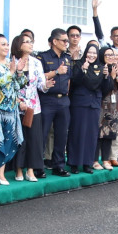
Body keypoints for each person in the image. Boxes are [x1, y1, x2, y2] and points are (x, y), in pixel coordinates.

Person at [0, 33, 27, 186]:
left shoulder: (10, 62)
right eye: (3, 44)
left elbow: (19, 84)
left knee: (8, 140)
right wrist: (11, 73)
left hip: (11, 107)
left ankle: (1, 173)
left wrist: (19, 71)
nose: (7, 47)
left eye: (7, 44)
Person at [67, 42, 110, 173]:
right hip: (80, 103)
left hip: (94, 105)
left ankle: (87, 163)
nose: (91, 55)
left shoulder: (102, 67)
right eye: (89, 52)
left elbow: (105, 89)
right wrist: (83, 70)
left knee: (91, 135)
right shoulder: (79, 65)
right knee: (77, 133)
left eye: (94, 53)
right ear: (85, 53)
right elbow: (75, 82)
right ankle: (74, 163)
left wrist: (107, 77)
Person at [38, 28, 72, 177]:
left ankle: (59, 165)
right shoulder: (43, 57)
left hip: (63, 100)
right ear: (54, 41)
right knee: (42, 134)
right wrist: (56, 71)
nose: (67, 43)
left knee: (61, 135)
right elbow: (38, 78)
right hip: (47, 100)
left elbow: (68, 79)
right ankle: (38, 167)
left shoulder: (67, 57)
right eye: (64, 40)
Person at [11, 33, 43, 182]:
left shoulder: (37, 62)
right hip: (17, 106)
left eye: (31, 42)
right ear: (19, 45)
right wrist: (19, 102)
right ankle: (18, 169)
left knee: (34, 139)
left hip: (33, 107)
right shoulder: (12, 61)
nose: (30, 44)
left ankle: (30, 170)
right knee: (19, 139)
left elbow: (41, 84)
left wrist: (46, 85)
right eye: (26, 42)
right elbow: (9, 85)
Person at [97, 45, 118, 169]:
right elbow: (103, 88)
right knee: (99, 135)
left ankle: (110, 159)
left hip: (114, 106)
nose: (111, 58)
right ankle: (96, 160)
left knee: (112, 133)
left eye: (113, 55)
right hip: (102, 105)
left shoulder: (115, 68)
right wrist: (109, 76)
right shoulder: (100, 68)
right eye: (109, 55)